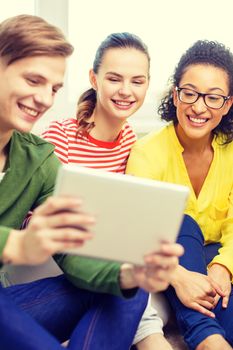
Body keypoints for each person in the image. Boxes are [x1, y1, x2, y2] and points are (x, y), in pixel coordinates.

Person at [0, 14, 183, 350]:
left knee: (128, 289)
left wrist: (129, 275)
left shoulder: (36, 158)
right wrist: (19, 245)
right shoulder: (59, 140)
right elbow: (37, 242)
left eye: (54, 88)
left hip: (15, 298)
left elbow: (71, 245)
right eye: (33, 80)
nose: (45, 99)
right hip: (29, 270)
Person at [42, 32, 175, 349]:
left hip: (109, 268)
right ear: (94, 78)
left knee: (133, 284)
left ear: (147, 84)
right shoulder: (60, 136)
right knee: (132, 294)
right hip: (56, 262)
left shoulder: (133, 143)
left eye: (137, 81)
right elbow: (38, 222)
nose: (126, 91)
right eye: (114, 79)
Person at [126, 39, 233, 350]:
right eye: (190, 93)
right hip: (168, 262)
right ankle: (206, 338)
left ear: (227, 104)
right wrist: (180, 276)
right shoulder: (147, 153)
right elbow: (140, 231)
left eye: (213, 98)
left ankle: (209, 334)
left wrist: (223, 267)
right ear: (175, 95)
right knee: (179, 221)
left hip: (217, 261)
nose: (199, 107)